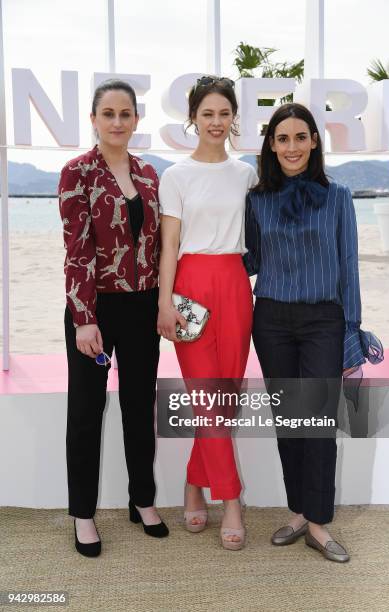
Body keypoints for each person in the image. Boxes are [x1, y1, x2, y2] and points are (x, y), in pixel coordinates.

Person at [245, 102, 367, 562]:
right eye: (282, 139)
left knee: (316, 423)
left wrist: (352, 329)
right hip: (271, 320)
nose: (291, 147)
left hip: (323, 320)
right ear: (271, 146)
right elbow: (251, 260)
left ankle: (318, 524)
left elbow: (348, 266)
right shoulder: (256, 199)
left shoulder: (338, 196)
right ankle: (298, 511)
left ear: (314, 141)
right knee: (289, 423)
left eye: (300, 137)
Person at [59, 79, 168, 558]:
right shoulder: (76, 172)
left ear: (136, 120)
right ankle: (83, 514)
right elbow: (77, 248)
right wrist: (84, 318)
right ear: (94, 119)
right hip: (95, 311)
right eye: (109, 113)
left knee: (139, 407)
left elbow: (160, 246)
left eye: (126, 114)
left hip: (143, 307)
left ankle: (141, 499)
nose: (118, 122)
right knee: (87, 411)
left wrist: (166, 302)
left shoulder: (148, 173)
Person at [157, 75, 257, 550]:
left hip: (235, 285)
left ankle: (195, 482)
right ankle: (231, 500)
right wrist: (163, 301)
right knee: (206, 398)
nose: (216, 122)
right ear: (192, 118)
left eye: (223, 113)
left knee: (225, 397)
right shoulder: (175, 176)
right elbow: (170, 246)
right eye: (207, 114)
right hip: (190, 287)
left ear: (233, 117)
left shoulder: (247, 173)